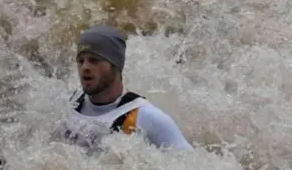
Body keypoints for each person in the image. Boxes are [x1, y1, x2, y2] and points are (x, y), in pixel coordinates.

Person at [60, 25, 193, 152]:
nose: (85, 67)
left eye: (94, 60)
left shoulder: (148, 118)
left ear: (116, 66)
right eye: (81, 61)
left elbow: (190, 167)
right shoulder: (68, 105)